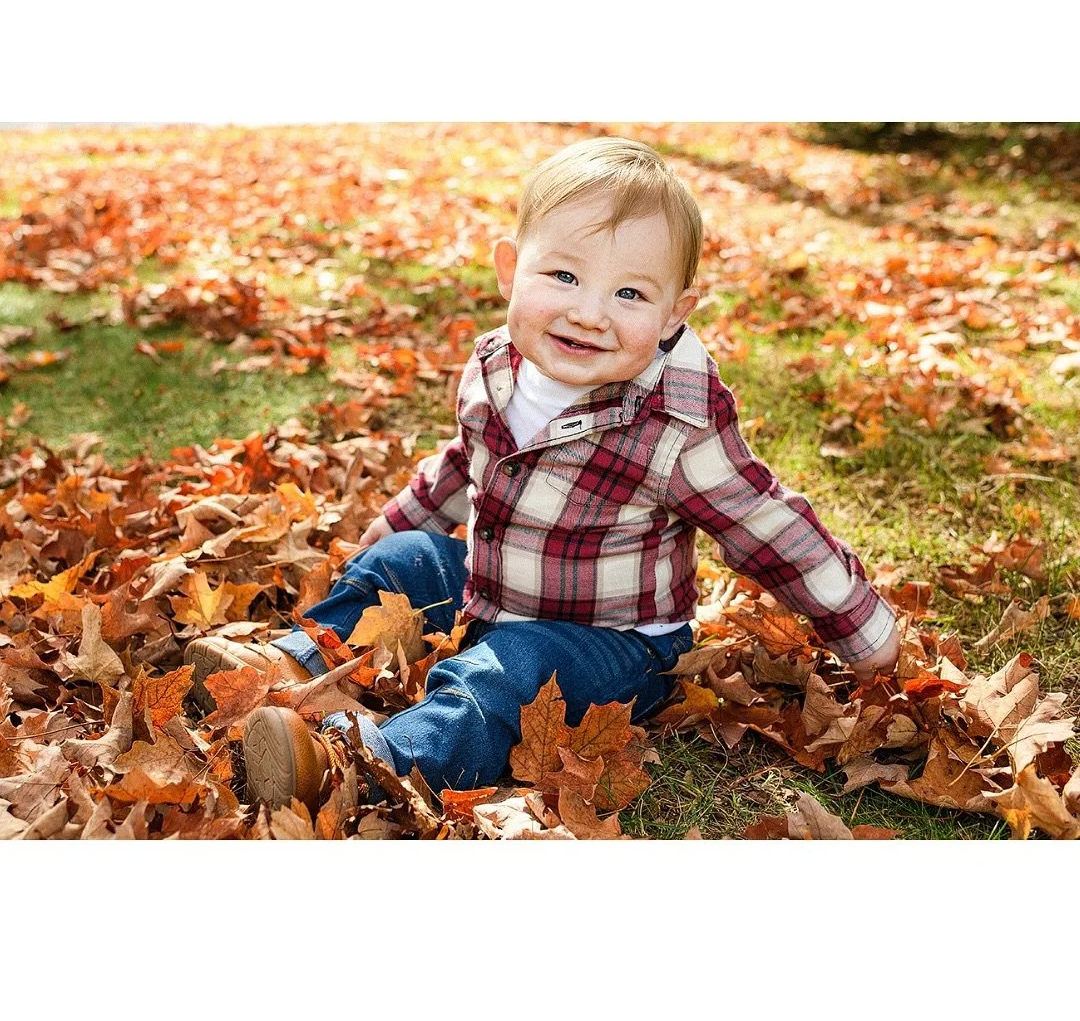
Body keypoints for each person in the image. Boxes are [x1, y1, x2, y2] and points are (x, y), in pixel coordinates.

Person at [186, 136, 900, 814]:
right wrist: (400, 524)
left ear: (674, 314)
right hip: (495, 590)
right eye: (563, 276)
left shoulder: (675, 424)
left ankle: (370, 762)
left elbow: (766, 525)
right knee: (406, 560)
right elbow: (466, 460)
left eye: (630, 294)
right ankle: (285, 669)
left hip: (618, 645)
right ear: (510, 269)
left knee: (510, 670)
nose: (589, 314)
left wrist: (863, 633)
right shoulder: (497, 365)